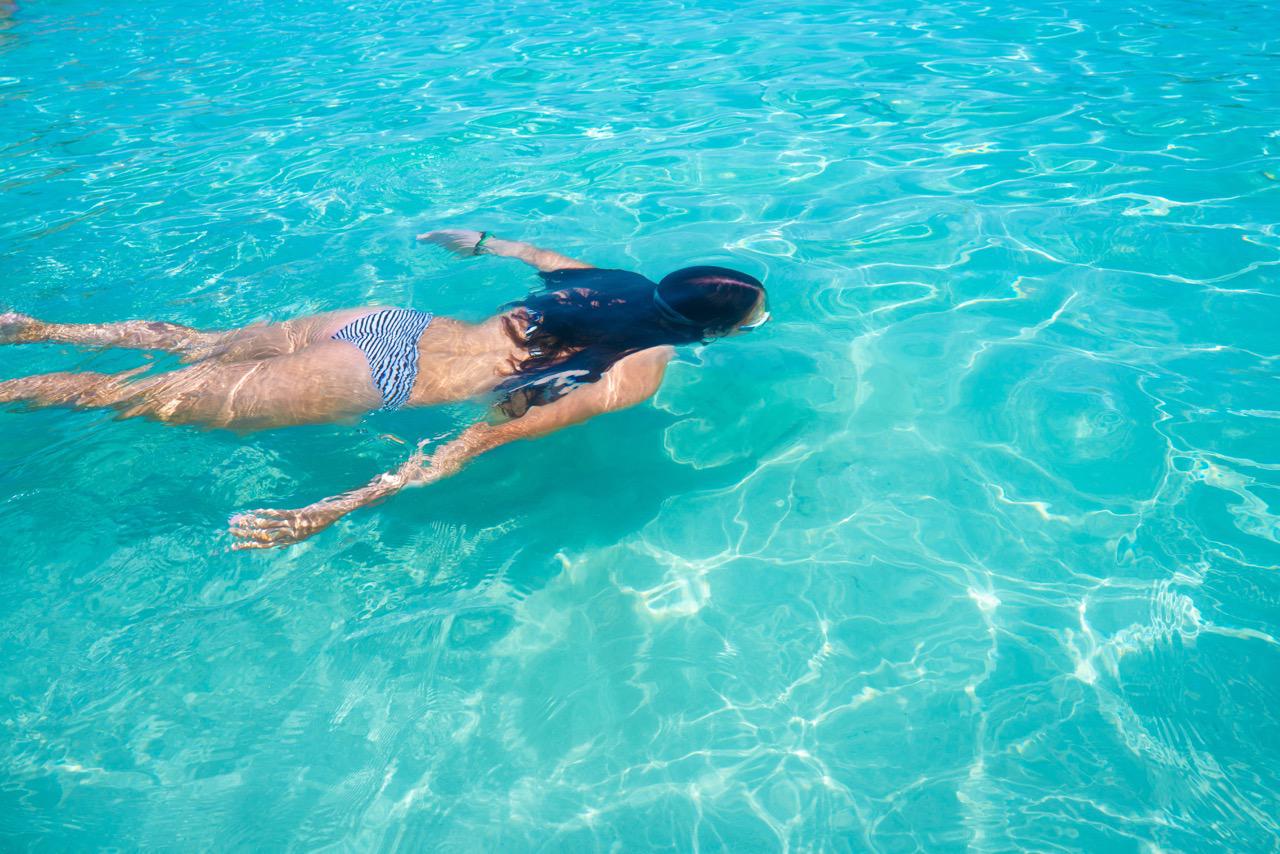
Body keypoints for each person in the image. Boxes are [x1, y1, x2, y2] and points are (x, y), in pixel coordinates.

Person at [0, 229, 770, 548]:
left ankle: (31, 328)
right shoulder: (639, 370)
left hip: (389, 324)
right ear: (713, 332)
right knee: (118, 397)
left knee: (197, 345)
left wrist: (473, 241)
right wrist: (333, 508)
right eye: (751, 321)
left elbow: (528, 252)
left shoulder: (614, 281)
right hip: (384, 377)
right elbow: (482, 438)